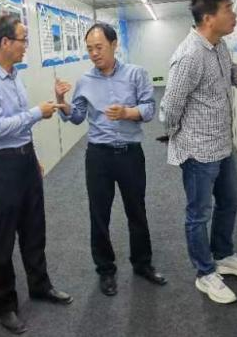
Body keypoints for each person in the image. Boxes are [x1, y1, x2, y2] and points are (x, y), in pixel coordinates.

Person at [0, 14, 72, 334]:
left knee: (34, 228)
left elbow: (19, 125)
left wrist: (33, 156)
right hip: (0, 166)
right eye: (23, 39)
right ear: (5, 42)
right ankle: (5, 305)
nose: (26, 45)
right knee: (2, 239)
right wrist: (37, 113)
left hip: (24, 161)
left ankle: (40, 285)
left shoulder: (14, 76)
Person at [161, 0, 237, 305]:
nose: (234, 15)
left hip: (222, 145)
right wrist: (181, 139)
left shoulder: (219, 45)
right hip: (198, 152)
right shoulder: (189, 56)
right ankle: (205, 272)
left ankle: (222, 255)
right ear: (208, 18)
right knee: (198, 214)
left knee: (230, 201)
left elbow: (229, 74)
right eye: (228, 9)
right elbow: (169, 108)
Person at [55, 23, 167, 297]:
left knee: (136, 210)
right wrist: (61, 101)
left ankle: (142, 264)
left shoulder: (136, 74)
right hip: (99, 156)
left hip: (130, 153)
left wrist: (127, 113)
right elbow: (77, 116)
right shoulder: (85, 81)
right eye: (90, 49)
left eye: (99, 47)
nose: (94, 53)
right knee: (99, 214)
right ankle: (105, 269)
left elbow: (149, 109)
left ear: (114, 45)